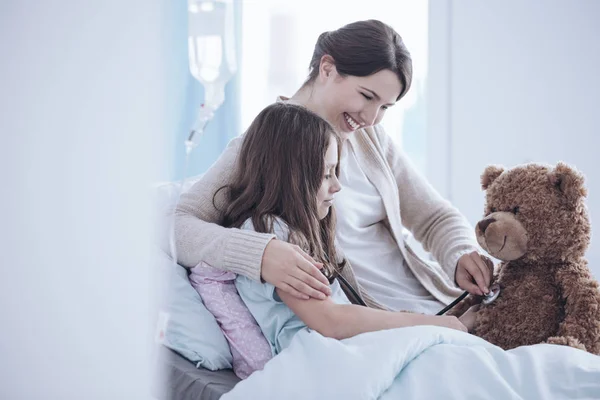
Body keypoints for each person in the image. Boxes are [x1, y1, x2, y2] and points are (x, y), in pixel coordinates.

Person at [174, 19, 492, 314]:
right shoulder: (262, 147)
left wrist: (460, 254)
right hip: (391, 323)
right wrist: (261, 254)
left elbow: (433, 216)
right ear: (328, 68)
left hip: (443, 302)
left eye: (384, 107)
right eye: (367, 96)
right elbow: (175, 224)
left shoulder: (370, 139)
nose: (371, 117)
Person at [225, 102, 469, 355]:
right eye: (327, 173)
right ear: (292, 176)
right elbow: (331, 320)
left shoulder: (299, 228)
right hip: (321, 355)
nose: (337, 186)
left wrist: (446, 322)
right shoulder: (269, 233)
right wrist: (438, 324)